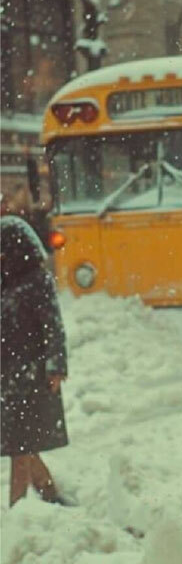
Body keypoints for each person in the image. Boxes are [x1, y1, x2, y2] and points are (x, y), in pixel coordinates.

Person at [1, 216, 71, 506]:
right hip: (7, 376)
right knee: (22, 443)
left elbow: (53, 326)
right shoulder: (4, 283)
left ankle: (15, 511)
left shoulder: (37, 281)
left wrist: (56, 367)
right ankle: (49, 492)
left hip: (33, 374)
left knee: (20, 445)